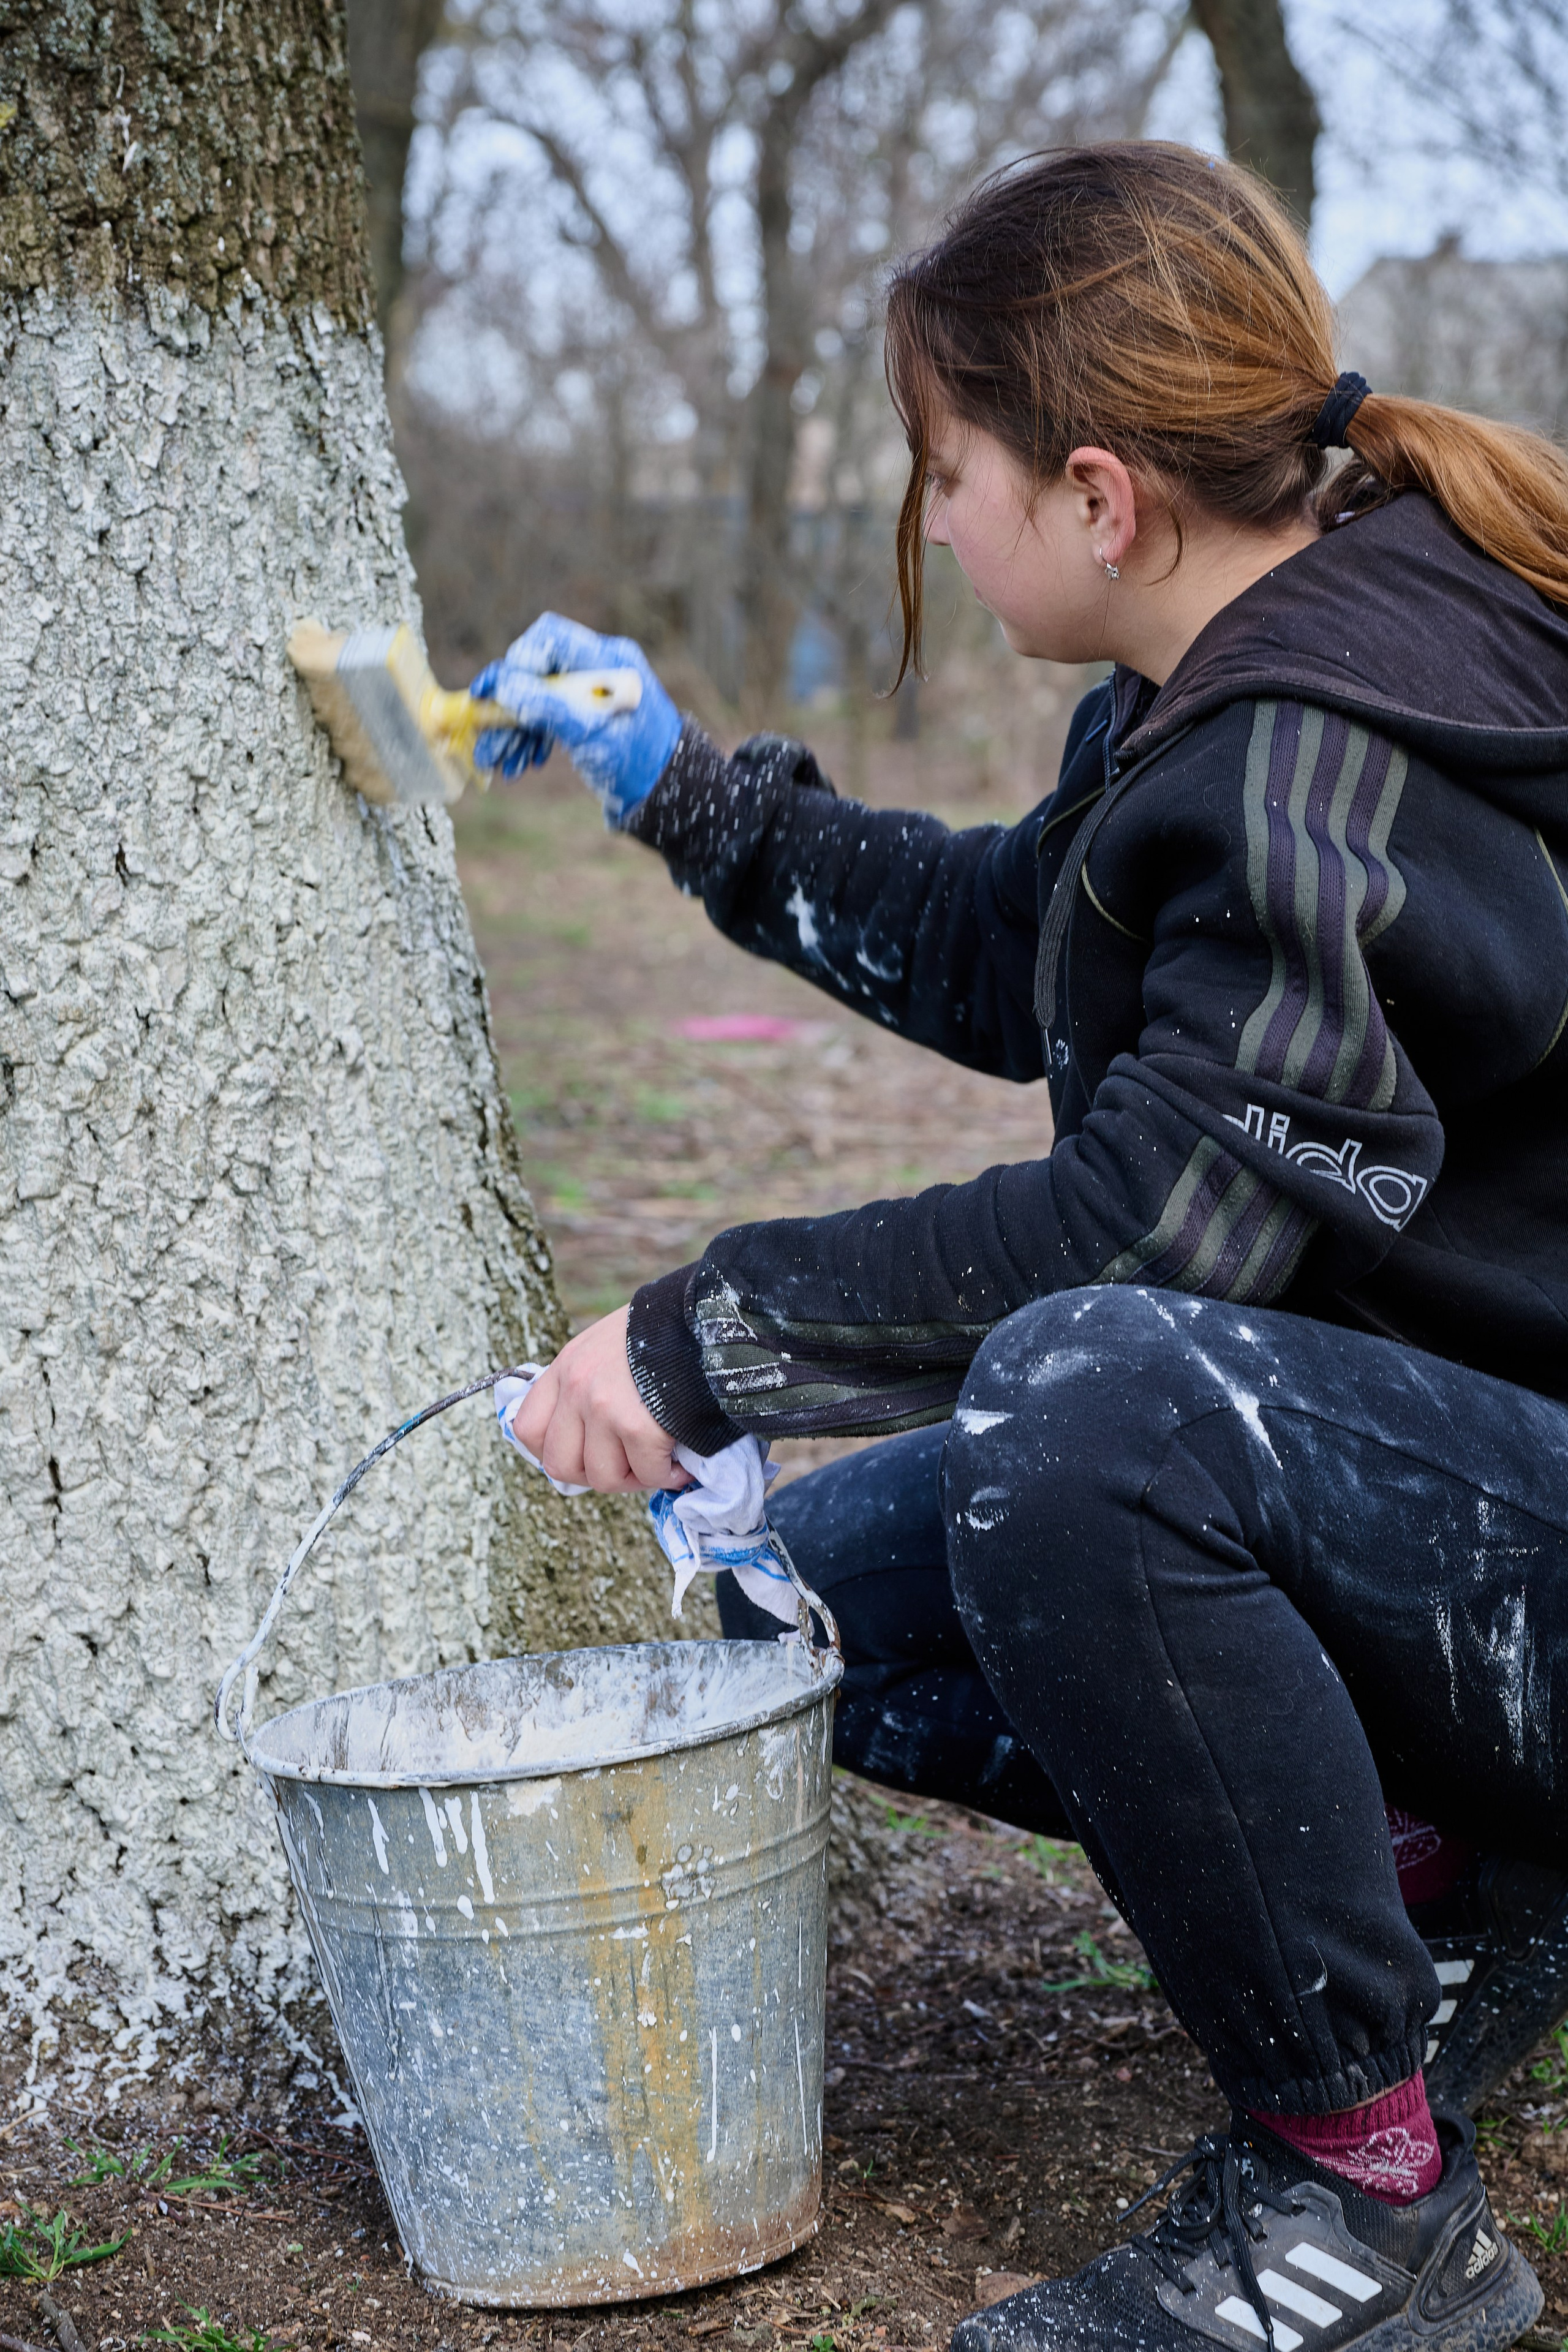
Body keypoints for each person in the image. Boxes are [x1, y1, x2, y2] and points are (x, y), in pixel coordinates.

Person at [473, 143, 1568, 2352]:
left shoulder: (1322, 757)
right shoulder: (1220, 680)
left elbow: (1144, 1226)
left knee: (1086, 1418)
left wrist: (706, 1341)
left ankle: (1364, 2209)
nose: (934, 519)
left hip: (1527, 1545)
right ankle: (1449, 1888)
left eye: (940, 468)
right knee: (807, 1618)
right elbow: (1017, 952)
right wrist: (695, 791)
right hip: (1466, 1513)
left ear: (1096, 493)